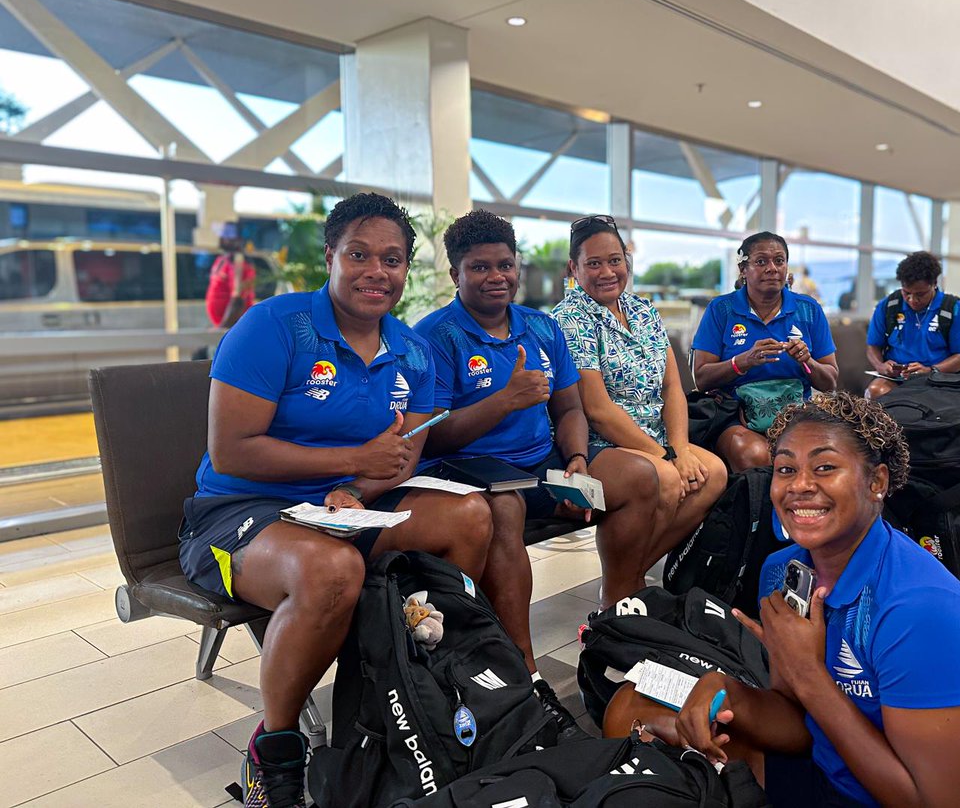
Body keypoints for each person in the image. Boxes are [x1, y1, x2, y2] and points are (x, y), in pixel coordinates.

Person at [180, 193, 494, 808]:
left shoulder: (413, 351)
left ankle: (422, 681)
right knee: (332, 568)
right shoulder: (274, 326)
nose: (377, 271)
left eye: (393, 259)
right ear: (330, 257)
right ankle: (272, 753)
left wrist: (353, 489)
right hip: (235, 516)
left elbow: (401, 455)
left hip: (340, 508)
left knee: (470, 516)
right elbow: (232, 451)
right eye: (359, 254)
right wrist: (351, 464)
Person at [674, 393, 960, 806]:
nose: (800, 486)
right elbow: (801, 719)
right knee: (643, 715)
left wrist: (808, 673)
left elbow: (937, 803)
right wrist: (726, 688)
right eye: (785, 468)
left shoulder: (921, 611)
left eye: (825, 467)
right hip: (838, 775)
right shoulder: (783, 570)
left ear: (877, 482)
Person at [415, 209, 672, 735]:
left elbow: (571, 410)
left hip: (545, 465)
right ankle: (525, 673)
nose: (496, 278)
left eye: (504, 265)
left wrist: (577, 461)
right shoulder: (435, 337)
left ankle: (615, 617)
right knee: (505, 505)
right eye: (479, 267)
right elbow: (434, 437)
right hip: (469, 472)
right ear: (455, 276)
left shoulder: (540, 326)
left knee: (637, 478)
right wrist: (505, 400)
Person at [551, 215, 726, 562]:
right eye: (594, 264)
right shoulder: (569, 318)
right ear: (574, 268)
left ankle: (632, 569)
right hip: (602, 445)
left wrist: (679, 449)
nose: (607, 272)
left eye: (615, 261)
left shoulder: (643, 309)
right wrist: (666, 458)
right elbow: (598, 411)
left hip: (657, 439)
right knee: (665, 477)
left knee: (715, 473)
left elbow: (673, 386)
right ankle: (622, 580)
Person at [691, 232, 838, 472]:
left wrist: (806, 360)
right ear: (743, 268)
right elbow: (702, 378)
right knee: (756, 455)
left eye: (779, 261)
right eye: (761, 262)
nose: (772, 268)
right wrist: (742, 361)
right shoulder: (722, 310)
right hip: (736, 417)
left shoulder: (808, 309)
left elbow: (830, 382)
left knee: (829, 457)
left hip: (796, 417)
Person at [864, 251, 960, 400]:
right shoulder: (889, 306)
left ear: (934, 284)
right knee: (875, 391)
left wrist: (931, 370)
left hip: (939, 379)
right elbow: (873, 347)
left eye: (920, 294)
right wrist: (881, 366)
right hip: (898, 379)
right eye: (906, 293)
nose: (912, 300)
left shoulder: (953, 309)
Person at [206, 223, 258, 328]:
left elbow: (238, 302)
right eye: (223, 233)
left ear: (239, 239)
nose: (223, 237)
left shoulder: (240, 263)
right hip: (223, 326)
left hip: (234, 328)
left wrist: (222, 330)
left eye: (229, 234)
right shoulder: (223, 259)